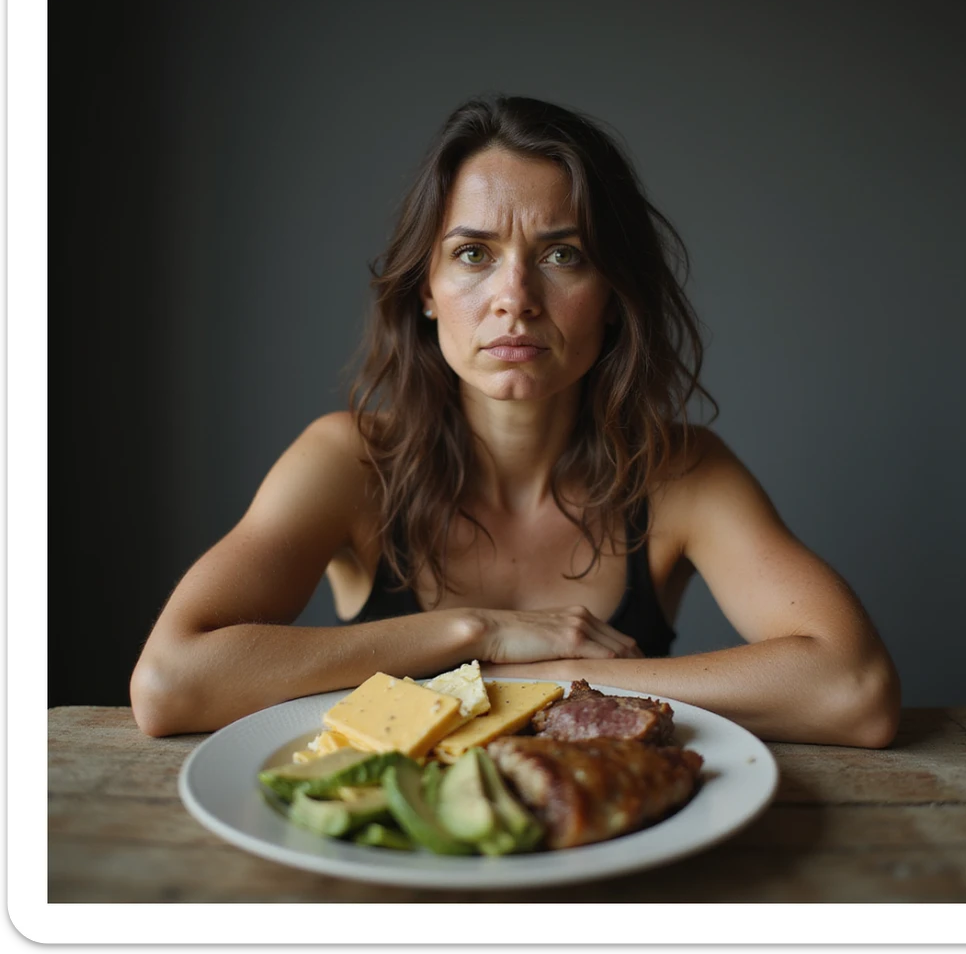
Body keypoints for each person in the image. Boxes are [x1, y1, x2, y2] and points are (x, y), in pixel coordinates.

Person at [130, 95, 901, 747]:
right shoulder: (350, 461)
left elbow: (855, 689)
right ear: (425, 289)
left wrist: (554, 673)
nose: (515, 297)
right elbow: (170, 683)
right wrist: (480, 634)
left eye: (562, 255)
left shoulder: (679, 471)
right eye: (473, 254)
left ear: (613, 293)